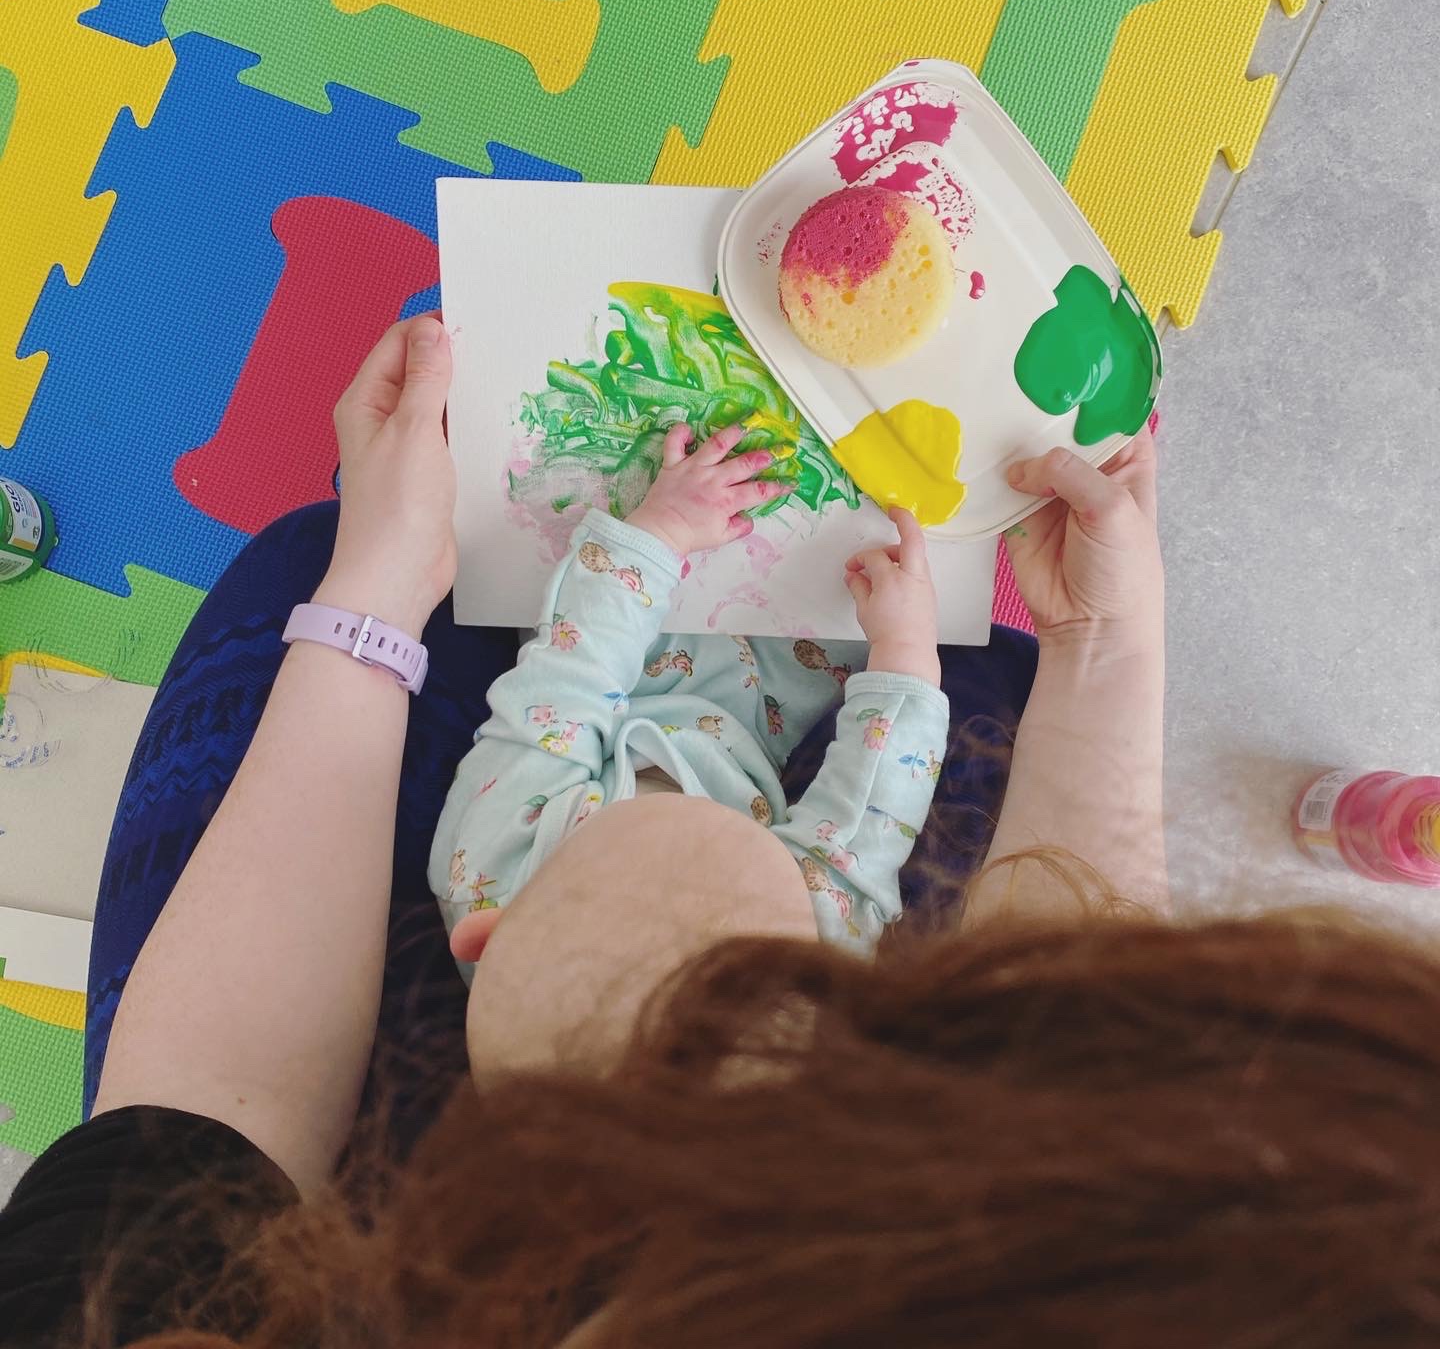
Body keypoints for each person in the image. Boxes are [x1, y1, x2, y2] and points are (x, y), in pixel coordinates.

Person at [15, 309, 1371, 1349]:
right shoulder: (853, 970)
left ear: (486, 922)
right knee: (985, 697)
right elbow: (869, 837)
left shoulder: (493, 852)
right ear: (846, 1014)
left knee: (305, 559)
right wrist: (1058, 659)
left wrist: (387, 585)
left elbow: (561, 696)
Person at [432, 414, 950, 965]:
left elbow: (570, 673)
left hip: (623, 684)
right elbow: (868, 814)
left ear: (487, 937)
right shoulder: (808, 962)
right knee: (888, 579)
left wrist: (665, 527)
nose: (695, 854)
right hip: (768, 725)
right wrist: (908, 647)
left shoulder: (494, 871)